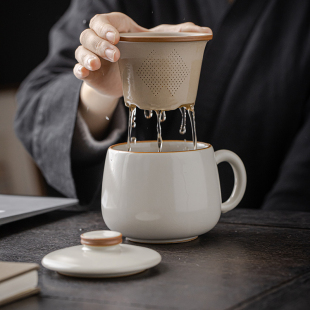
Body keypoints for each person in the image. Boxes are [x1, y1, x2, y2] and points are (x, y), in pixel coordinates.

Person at [15, 0, 310, 211]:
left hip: (261, 253)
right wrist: (104, 90)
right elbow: (34, 107)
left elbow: (297, 199)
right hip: (125, 248)